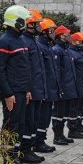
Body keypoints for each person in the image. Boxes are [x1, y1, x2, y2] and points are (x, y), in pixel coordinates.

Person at [0, 5, 34, 164]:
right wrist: (8, 93)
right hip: (13, 93)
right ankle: (9, 163)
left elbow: (23, 68)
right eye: (25, 20)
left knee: (19, 125)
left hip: (21, 91)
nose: (26, 24)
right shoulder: (4, 41)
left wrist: (27, 89)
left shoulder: (19, 39)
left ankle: (15, 159)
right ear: (17, 21)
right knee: (11, 126)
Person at [19, 10, 47, 164]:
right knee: (28, 121)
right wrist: (28, 89)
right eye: (37, 24)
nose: (39, 27)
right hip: (31, 89)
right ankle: (25, 150)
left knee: (34, 120)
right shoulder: (25, 41)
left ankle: (29, 148)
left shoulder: (32, 41)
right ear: (29, 24)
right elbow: (26, 69)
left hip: (37, 88)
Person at [52, 25, 83, 144]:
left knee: (64, 113)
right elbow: (57, 71)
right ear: (61, 36)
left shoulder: (67, 50)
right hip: (63, 87)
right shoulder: (57, 50)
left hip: (69, 86)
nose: (69, 36)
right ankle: (57, 136)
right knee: (58, 113)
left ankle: (62, 134)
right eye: (67, 34)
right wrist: (59, 88)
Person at [35, 18, 59, 152]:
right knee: (42, 116)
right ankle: (38, 141)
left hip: (49, 88)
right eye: (51, 31)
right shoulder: (40, 46)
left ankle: (42, 139)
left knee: (46, 116)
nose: (53, 33)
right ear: (43, 32)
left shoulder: (48, 46)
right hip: (44, 88)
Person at [70, 32, 83, 133]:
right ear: (73, 42)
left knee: (82, 106)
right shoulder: (72, 53)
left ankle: (79, 123)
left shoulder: (82, 54)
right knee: (74, 108)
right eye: (80, 42)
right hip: (76, 85)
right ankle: (73, 128)